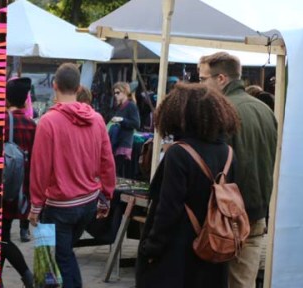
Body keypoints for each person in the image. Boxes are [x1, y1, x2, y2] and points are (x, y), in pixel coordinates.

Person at [136, 83, 241, 288]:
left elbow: (167, 209)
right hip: (213, 251)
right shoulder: (228, 153)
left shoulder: (179, 153)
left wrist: (151, 248)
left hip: (178, 256)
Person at [29, 63, 116, 288]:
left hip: (60, 206)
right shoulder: (96, 119)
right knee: (64, 253)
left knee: (61, 257)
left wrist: (36, 205)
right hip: (88, 202)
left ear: (54, 85)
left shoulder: (48, 122)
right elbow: (107, 161)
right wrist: (106, 194)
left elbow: (40, 167)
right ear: (79, 88)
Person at [198, 52, 278, 288]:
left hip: (225, 215)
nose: (200, 85)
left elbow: (212, 164)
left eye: (204, 79)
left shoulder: (221, 110)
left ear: (221, 78)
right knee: (243, 283)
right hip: (255, 212)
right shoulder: (265, 110)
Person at [3, 77, 36, 287]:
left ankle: (26, 274)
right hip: (23, 190)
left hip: (1, 189)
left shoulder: (1, 122)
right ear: (26, 101)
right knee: (1, 234)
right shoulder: (33, 125)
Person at [109, 82, 141, 179]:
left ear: (125, 92)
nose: (116, 95)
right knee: (115, 171)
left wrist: (122, 120)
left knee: (117, 172)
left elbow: (137, 124)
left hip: (124, 144)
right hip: (117, 142)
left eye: (118, 93)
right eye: (114, 93)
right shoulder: (119, 107)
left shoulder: (131, 106)